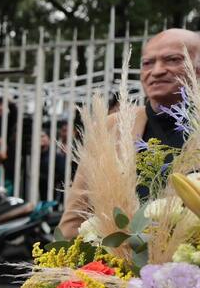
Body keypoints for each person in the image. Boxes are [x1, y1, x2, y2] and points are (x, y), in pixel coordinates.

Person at [61, 28, 200, 237]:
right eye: (147, 63)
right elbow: (76, 213)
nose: (157, 70)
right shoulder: (112, 127)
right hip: (114, 266)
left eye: (172, 60)